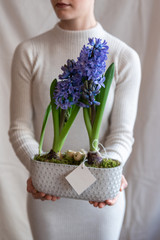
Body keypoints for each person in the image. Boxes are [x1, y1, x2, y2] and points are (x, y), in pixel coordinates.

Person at [9, 0, 141, 239]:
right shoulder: (29, 51)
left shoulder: (123, 56)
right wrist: (40, 170)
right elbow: (19, 128)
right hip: (47, 200)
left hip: (100, 203)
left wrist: (105, 176)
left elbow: (122, 135)